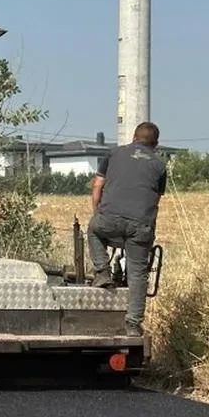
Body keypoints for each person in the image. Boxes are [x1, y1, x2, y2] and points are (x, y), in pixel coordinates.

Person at [88, 121, 168, 336]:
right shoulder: (160, 166)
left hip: (109, 219)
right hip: (141, 225)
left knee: (94, 231)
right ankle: (133, 324)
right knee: (138, 275)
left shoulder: (113, 154)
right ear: (155, 144)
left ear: (133, 137)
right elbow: (155, 201)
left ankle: (103, 272)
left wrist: (98, 214)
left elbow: (97, 186)